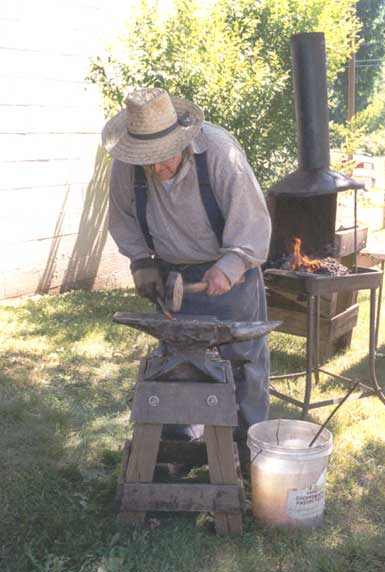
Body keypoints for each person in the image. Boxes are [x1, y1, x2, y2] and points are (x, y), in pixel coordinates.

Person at [102, 87, 271, 441]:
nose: (155, 167)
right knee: (178, 365)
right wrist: (141, 262)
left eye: (162, 156)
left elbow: (253, 223)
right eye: (146, 158)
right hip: (171, 275)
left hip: (230, 278)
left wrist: (230, 265)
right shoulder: (127, 163)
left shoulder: (220, 153)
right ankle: (179, 448)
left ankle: (245, 451)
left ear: (182, 141)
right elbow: (122, 218)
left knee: (242, 367)